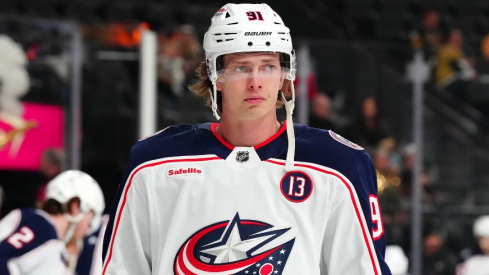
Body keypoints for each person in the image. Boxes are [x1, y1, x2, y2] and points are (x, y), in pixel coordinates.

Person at [102, 3, 392, 275]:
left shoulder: (339, 166)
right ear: (216, 74)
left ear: (283, 75)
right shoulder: (154, 164)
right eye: (241, 67)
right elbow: (123, 266)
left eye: (268, 66)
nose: (256, 81)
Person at [0, 170, 104, 275]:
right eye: (89, 221)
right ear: (75, 207)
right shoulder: (51, 246)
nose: (86, 230)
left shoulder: (21, 215)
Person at [435, 27, 477, 100]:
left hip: (456, 80)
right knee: (466, 86)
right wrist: (471, 74)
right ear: (450, 38)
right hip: (446, 82)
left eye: (460, 37)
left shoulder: (458, 51)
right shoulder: (446, 50)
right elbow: (457, 66)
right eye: (456, 37)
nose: (459, 39)